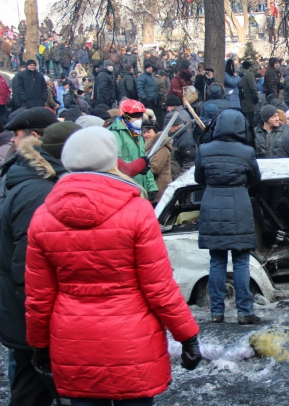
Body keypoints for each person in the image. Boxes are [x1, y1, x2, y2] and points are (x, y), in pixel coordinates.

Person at [25, 127, 201, 405]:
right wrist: (187, 336)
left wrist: (38, 345)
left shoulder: (43, 216)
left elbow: (39, 298)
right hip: (132, 340)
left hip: (73, 341)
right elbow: (159, 288)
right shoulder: (138, 211)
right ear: (112, 160)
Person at [0, 113, 70, 406]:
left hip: (28, 317)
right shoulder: (41, 190)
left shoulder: (34, 179)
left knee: (29, 389)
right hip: (33, 319)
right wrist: (40, 332)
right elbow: (29, 269)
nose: (13, 143)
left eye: (16, 136)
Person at [196, 109, 261, 324]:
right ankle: (244, 312)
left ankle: (216, 312)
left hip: (211, 205)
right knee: (241, 261)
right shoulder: (247, 151)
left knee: (217, 261)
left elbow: (199, 178)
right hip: (239, 206)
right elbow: (255, 179)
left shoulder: (204, 150)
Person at [109, 99, 159, 197]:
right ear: (125, 115)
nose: (139, 119)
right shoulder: (115, 134)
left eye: (140, 116)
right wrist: (137, 167)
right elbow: (115, 164)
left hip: (140, 188)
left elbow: (144, 160)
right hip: (125, 189)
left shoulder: (137, 133)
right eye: (135, 116)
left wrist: (151, 186)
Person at [142, 119, 172, 204]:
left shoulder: (161, 148)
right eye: (144, 132)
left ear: (155, 132)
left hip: (159, 191)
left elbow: (154, 169)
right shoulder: (149, 147)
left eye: (148, 132)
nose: (146, 135)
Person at [240, 61, 258, 125]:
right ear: (249, 67)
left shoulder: (240, 73)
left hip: (241, 99)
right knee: (250, 118)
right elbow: (253, 87)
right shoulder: (249, 74)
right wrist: (255, 96)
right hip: (249, 99)